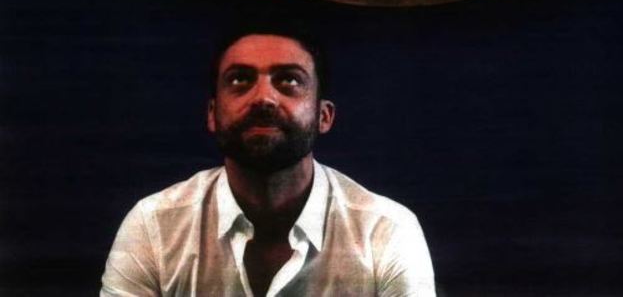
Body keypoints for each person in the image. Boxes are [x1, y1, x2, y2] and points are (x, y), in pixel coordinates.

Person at [100, 23, 435, 296]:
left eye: (289, 80)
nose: (263, 98)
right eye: (240, 80)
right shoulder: (154, 226)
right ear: (212, 113)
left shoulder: (386, 231)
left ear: (324, 115)